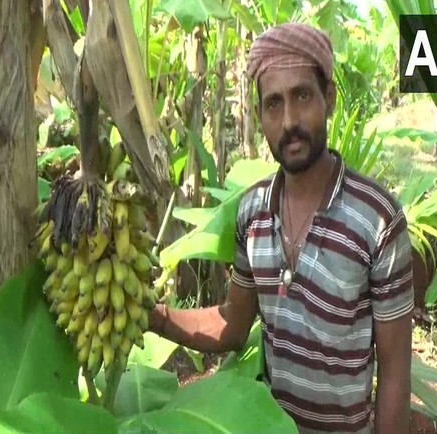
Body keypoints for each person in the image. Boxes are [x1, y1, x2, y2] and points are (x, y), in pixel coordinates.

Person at [148, 22, 414, 434]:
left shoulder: (377, 218)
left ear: (329, 98)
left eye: (302, 96)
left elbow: (395, 370)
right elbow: (233, 326)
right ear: (259, 115)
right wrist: (156, 317)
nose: (289, 120)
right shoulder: (251, 213)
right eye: (273, 104)